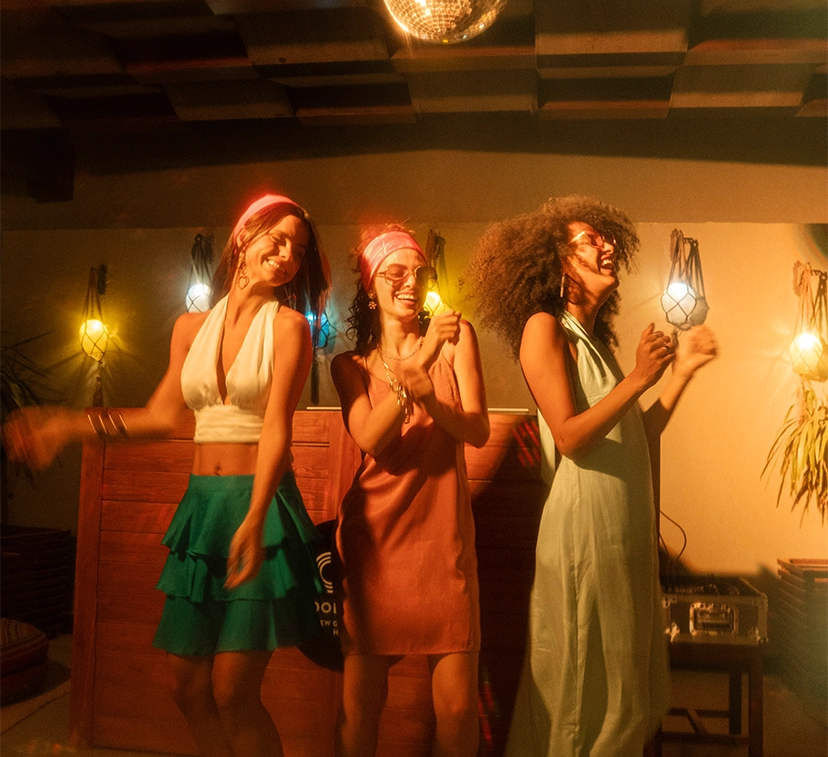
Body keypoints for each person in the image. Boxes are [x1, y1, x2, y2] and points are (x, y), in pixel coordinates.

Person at [3, 194, 331, 757]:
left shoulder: (290, 328)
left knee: (234, 693)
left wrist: (254, 517)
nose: (285, 256)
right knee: (185, 684)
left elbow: (278, 428)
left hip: (262, 510)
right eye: (275, 239)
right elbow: (159, 418)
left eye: (297, 251)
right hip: (202, 512)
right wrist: (63, 425)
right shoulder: (189, 327)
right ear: (243, 238)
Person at [466, 196, 718, 757]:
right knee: (583, 687)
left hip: (620, 528)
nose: (606, 245)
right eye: (589, 239)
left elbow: (639, 436)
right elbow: (570, 437)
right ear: (556, 261)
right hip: (584, 530)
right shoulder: (542, 328)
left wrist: (679, 372)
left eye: (607, 239)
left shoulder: (595, 345)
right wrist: (637, 378)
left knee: (625, 688)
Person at [331, 225, 490, 757]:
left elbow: (477, 430)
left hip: (442, 541)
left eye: (418, 274)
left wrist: (433, 399)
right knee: (360, 708)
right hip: (377, 543)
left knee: (459, 709)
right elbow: (371, 438)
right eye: (394, 273)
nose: (409, 284)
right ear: (370, 285)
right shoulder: (349, 366)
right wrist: (417, 366)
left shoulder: (457, 337)